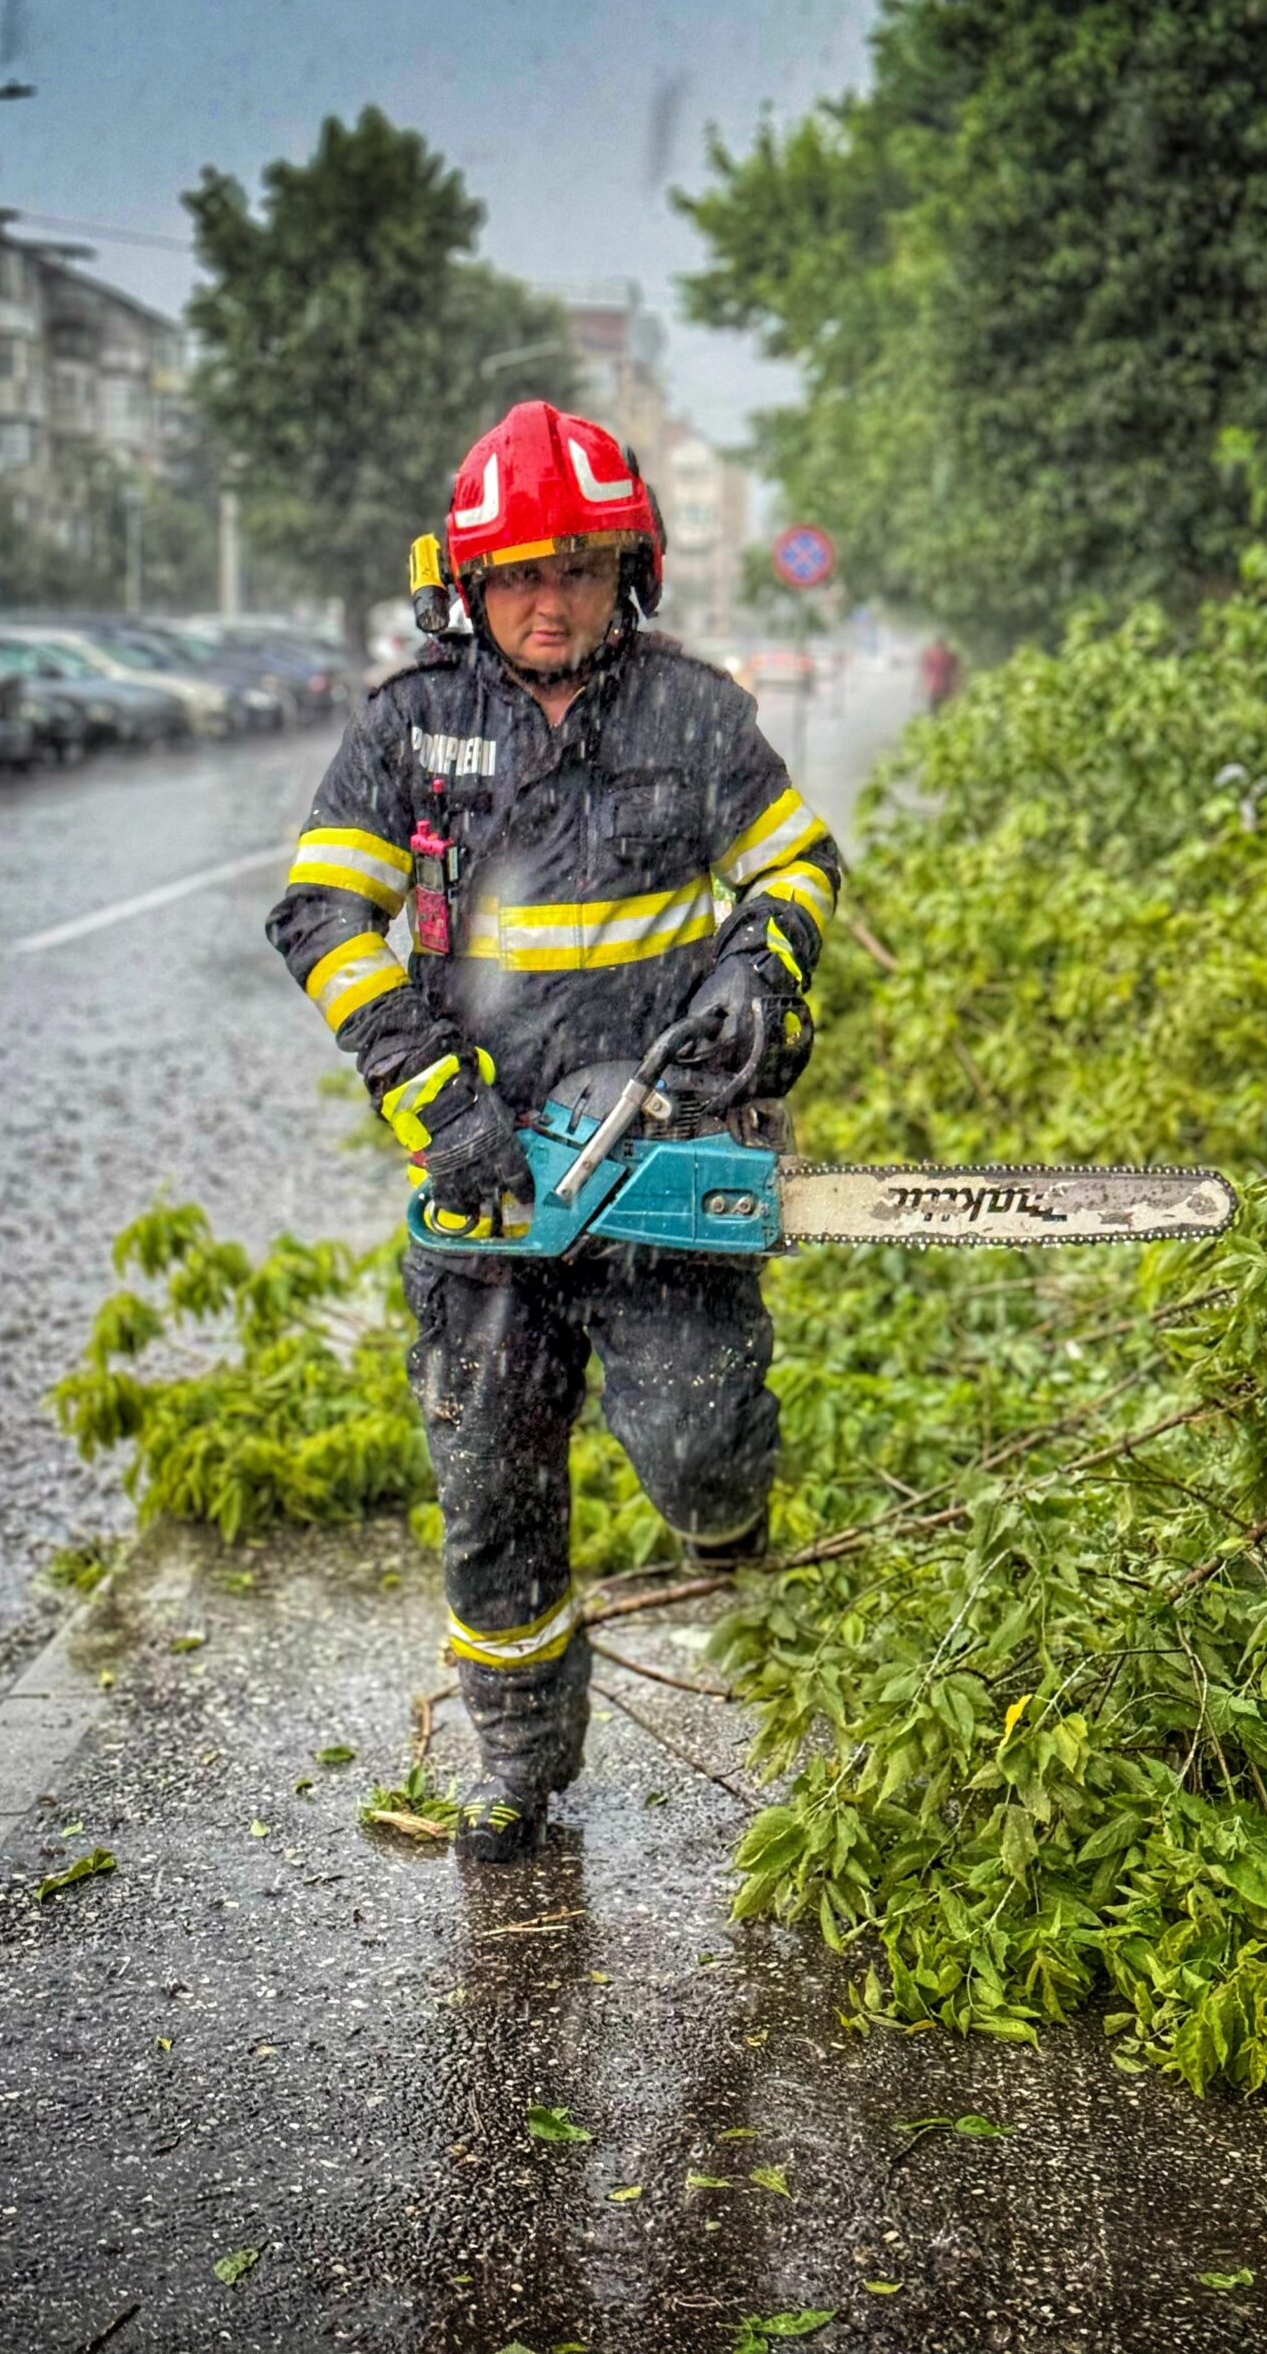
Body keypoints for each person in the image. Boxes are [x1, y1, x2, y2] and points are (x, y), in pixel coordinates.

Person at [267, 401, 840, 1861]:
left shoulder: (694, 712)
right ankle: (518, 1765)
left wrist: (755, 977)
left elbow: (794, 865)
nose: (548, 600)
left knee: (701, 1446)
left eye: (578, 569)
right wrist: (431, 1093)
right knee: (492, 1494)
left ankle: (724, 1511)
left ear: (626, 571)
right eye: (519, 572)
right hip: (486, 1192)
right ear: (465, 581)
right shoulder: (410, 728)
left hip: (657, 1165)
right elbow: (322, 913)